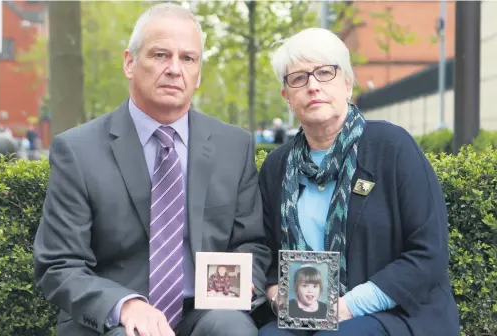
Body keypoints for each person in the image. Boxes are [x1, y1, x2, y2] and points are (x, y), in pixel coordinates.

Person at [33, 3, 270, 336]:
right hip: (113, 320)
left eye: (188, 58)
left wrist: (243, 281)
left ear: (198, 74)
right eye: (160, 55)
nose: (175, 69)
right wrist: (125, 305)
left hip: (205, 313)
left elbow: (252, 243)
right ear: (130, 63)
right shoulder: (78, 151)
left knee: (233, 328)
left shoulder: (235, 146)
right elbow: (58, 265)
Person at [257, 28, 460, 336]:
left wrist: (348, 306)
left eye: (325, 73)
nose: (313, 86)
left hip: (396, 312)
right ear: (287, 96)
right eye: (298, 78)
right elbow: (269, 257)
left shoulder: (392, 147)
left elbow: (428, 252)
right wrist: (278, 298)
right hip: (305, 314)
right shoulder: (276, 167)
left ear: (347, 84)